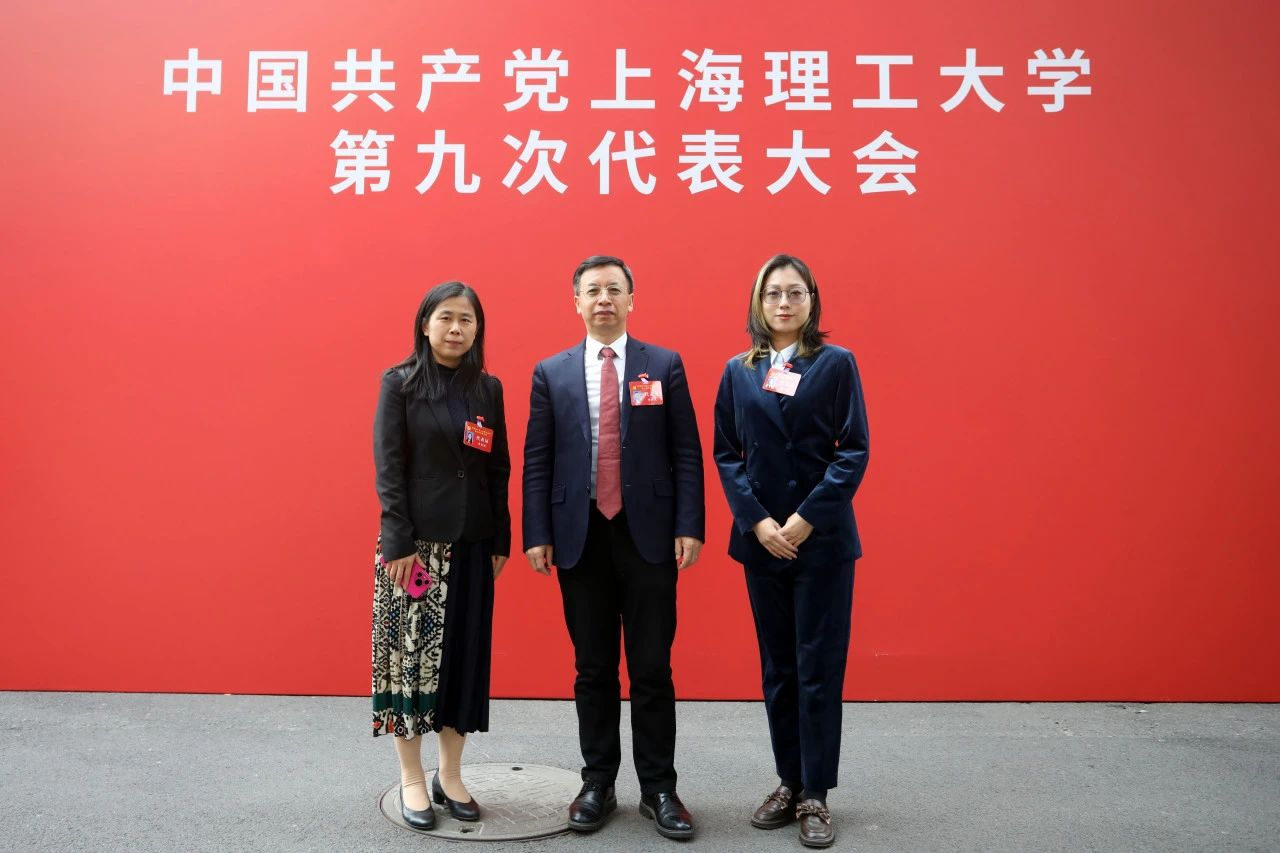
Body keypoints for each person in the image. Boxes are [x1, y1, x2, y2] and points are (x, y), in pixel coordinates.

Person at [522, 255, 705, 840]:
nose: (604, 298)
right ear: (576, 302)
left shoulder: (664, 364)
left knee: (652, 667)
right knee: (593, 667)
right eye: (593, 290)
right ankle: (597, 782)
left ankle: (659, 788)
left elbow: (685, 451)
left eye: (614, 289)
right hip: (579, 537)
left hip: (648, 534)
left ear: (631, 300)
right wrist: (536, 532)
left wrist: (690, 523)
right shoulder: (550, 372)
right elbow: (537, 459)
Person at [711, 255, 869, 849]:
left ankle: (815, 793)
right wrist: (757, 521)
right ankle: (787, 779)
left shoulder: (835, 363)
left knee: (818, 667)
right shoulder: (739, 370)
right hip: (762, 544)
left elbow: (853, 450)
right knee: (778, 668)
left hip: (820, 541)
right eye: (773, 293)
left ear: (812, 301)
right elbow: (726, 452)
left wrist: (805, 519)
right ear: (758, 302)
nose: (783, 303)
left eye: (795, 293)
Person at [371, 281, 511, 831]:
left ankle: (450, 774)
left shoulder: (488, 388)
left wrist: (500, 536)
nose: (456, 329)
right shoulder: (400, 383)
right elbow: (389, 466)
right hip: (416, 551)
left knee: (463, 663)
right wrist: (397, 540)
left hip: (473, 544)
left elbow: (498, 468)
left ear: (478, 330)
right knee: (411, 663)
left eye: (467, 320)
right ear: (425, 324)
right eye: (446, 318)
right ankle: (412, 775)